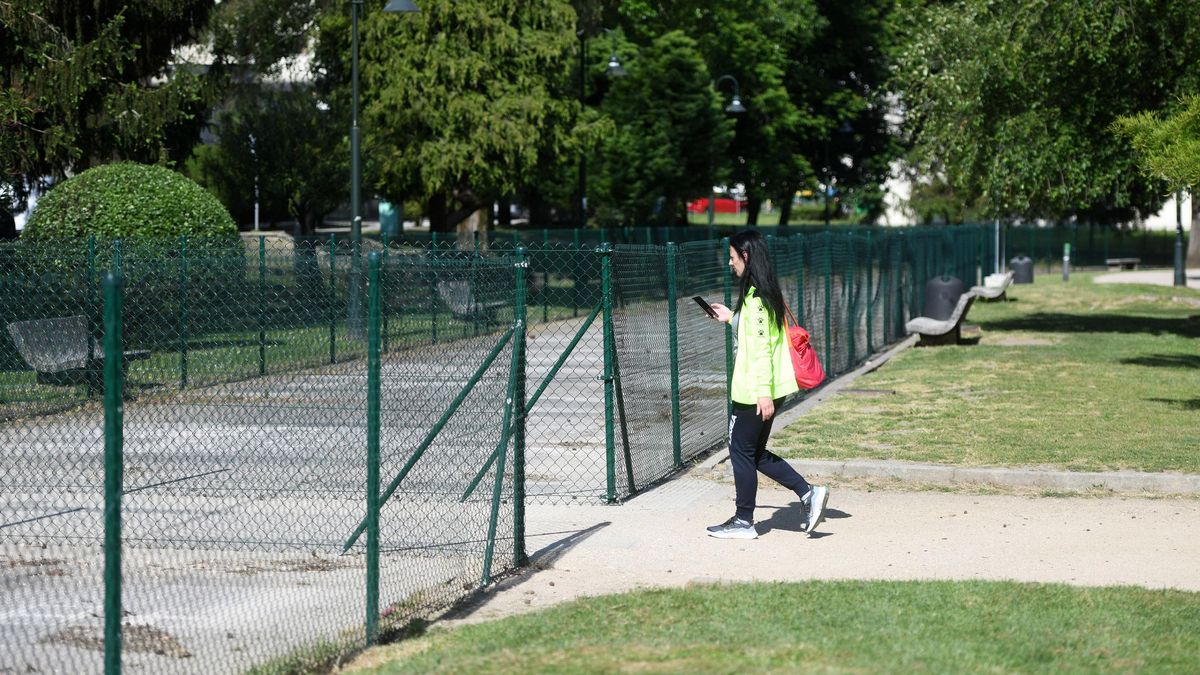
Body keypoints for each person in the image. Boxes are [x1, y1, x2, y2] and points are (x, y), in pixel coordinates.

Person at [706, 229, 828, 539]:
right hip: (766, 389)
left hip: (756, 391)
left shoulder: (757, 299)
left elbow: (760, 349)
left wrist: (762, 392)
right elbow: (759, 335)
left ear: (746, 256)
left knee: (742, 452)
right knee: (753, 452)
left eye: (733, 258)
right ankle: (808, 493)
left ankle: (744, 521)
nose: (730, 264)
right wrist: (731, 318)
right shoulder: (761, 294)